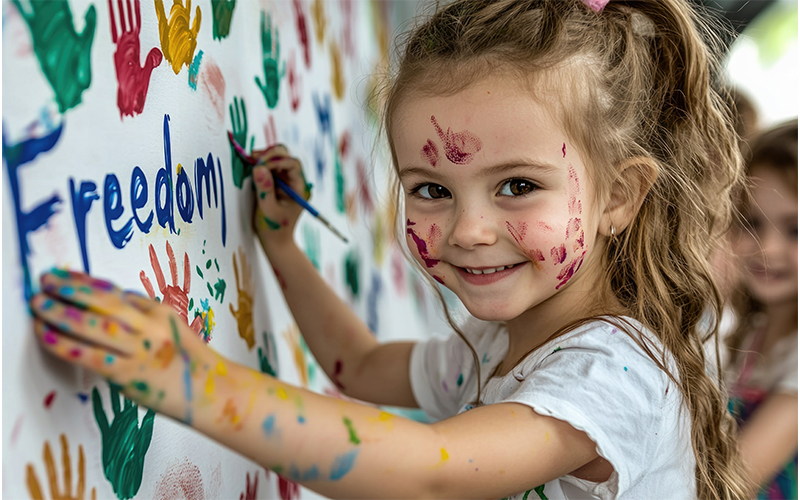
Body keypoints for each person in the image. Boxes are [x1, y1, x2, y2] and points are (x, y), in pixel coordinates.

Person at [28, 0, 752, 498]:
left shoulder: (616, 373)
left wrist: (196, 384)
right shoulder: (502, 340)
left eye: (518, 186)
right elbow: (365, 368)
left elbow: (426, 472)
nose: (468, 230)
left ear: (619, 197)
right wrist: (280, 249)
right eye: (431, 189)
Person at [726, 119, 798, 499]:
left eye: (795, 230)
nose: (766, 248)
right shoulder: (749, 329)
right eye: (751, 223)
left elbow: (729, 483)